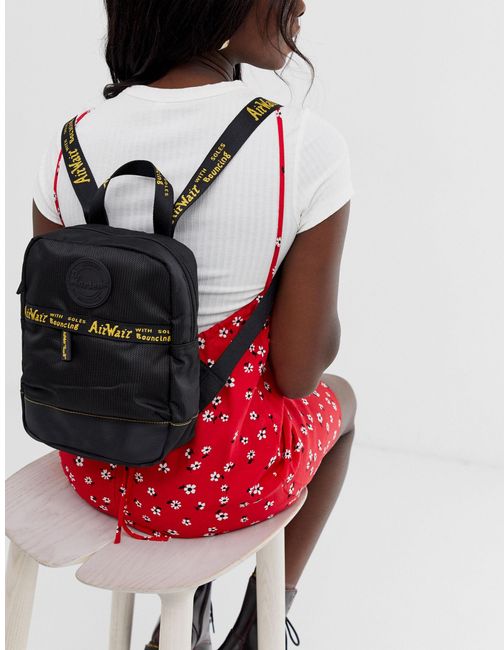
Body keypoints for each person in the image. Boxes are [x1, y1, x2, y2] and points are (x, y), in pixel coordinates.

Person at [31, 1, 357, 648]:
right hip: (220, 482)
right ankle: (262, 622)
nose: (300, 5)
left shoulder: (69, 143)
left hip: (93, 467)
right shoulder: (301, 145)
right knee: (340, 399)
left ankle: (188, 615)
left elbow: (59, 334)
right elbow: (297, 374)